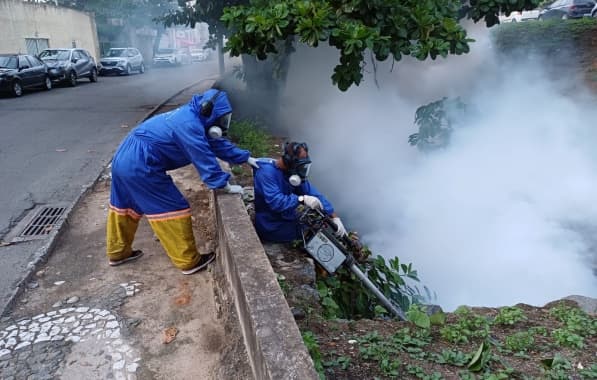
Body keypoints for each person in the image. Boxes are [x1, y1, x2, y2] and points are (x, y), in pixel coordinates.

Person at [106, 88, 260, 274]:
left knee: (125, 206)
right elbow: (204, 158)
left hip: (123, 158)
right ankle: (188, 261)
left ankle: (118, 252)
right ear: (207, 110)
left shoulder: (194, 118)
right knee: (171, 207)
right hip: (141, 163)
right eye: (222, 118)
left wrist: (246, 158)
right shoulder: (189, 125)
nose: (223, 123)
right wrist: (223, 185)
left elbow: (216, 143)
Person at [253, 141, 347, 242]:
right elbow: (276, 202)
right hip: (271, 225)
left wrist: (334, 217)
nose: (302, 170)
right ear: (289, 161)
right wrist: (301, 199)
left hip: (286, 218)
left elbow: (313, 193)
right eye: (300, 165)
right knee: (314, 235)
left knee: (317, 227)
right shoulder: (266, 173)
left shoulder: (291, 172)